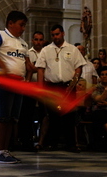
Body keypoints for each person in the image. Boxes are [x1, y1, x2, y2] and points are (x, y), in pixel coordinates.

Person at [0, 10, 30, 164]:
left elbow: (28, 64)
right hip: (2, 83)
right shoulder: (0, 35)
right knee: (2, 117)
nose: (23, 28)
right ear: (10, 23)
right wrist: (3, 66)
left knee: (12, 119)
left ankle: (5, 150)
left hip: (18, 84)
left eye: (24, 25)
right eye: (21, 25)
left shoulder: (23, 43)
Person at [35, 24, 87, 152]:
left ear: (63, 33)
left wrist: (74, 82)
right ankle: (52, 143)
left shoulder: (72, 49)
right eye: (53, 35)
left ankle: (71, 144)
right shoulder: (46, 50)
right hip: (52, 86)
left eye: (57, 34)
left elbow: (78, 67)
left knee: (69, 116)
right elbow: (40, 69)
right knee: (52, 116)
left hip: (68, 86)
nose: (55, 37)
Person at [18, 31, 46, 151]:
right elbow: (28, 68)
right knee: (27, 115)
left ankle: (43, 141)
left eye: (40, 40)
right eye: (36, 39)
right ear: (32, 41)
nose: (38, 42)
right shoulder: (28, 53)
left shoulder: (46, 53)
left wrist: (35, 68)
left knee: (44, 115)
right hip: (30, 87)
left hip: (44, 87)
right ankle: (27, 140)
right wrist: (37, 68)